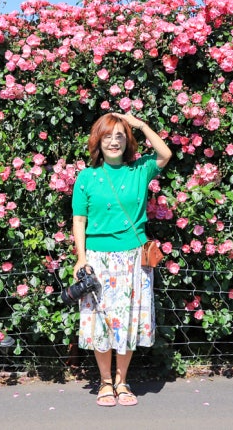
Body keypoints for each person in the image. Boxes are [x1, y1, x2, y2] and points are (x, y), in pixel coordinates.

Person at [70, 112, 172, 407]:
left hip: (133, 259)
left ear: (127, 141)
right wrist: (81, 258)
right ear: (97, 141)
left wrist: (139, 125)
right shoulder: (87, 177)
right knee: (101, 322)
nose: (113, 142)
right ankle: (104, 383)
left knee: (126, 323)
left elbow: (165, 153)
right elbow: (79, 220)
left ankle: (122, 382)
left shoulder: (140, 170)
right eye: (107, 136)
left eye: (119, 136)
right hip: (98, 260)